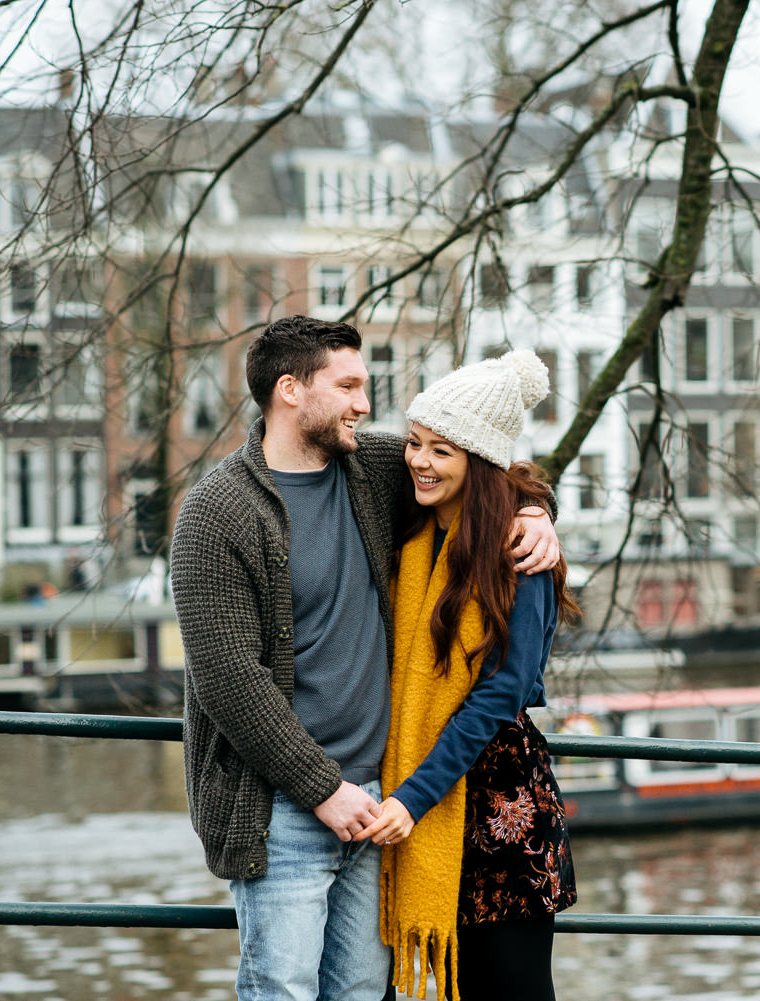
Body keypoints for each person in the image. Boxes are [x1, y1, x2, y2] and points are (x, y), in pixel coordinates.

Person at [168, 316, 560, 1001]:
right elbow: (230, 680)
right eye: (348, 385)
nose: (365, 403)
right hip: (283, 807)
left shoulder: (372, 468)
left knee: (360, 992)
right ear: (291, 390)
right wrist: (324, 790)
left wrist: (535, 510)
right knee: (282, 989)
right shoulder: (215, 512)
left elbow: (480, 471)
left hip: (379, 800)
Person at [357, 349, 579, 1001]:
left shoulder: (520, 553)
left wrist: (412, 798)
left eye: (442, 450)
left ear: (478, 461)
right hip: (415, 791)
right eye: (415, 443)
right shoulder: (412, 531)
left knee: (511, 988)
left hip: (500, 809)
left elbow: (501, 694)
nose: (419, 461)